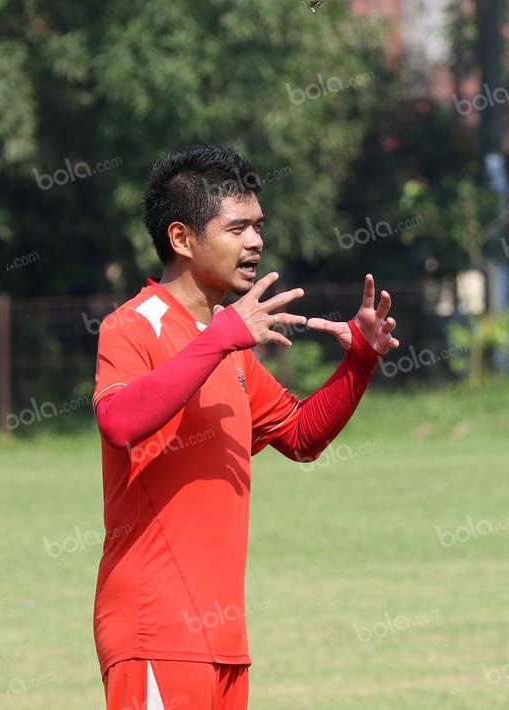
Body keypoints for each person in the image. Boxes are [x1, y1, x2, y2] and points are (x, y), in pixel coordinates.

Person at [91, 144, 399, 710]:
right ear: (182, 239)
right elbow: (119, 422)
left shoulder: (228, 345)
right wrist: (220, 338)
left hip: (225, 642)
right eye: (238, 228)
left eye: (259, 226)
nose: (256, 241)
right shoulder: (134, 325)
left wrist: (359, 363)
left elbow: (302, 437)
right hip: (155, 632)